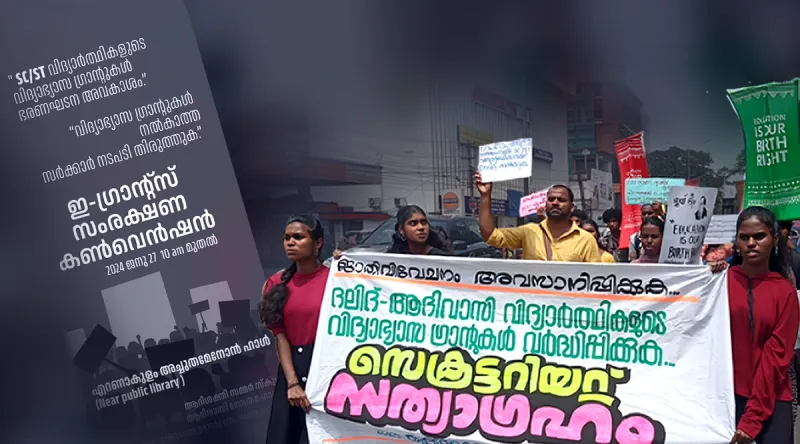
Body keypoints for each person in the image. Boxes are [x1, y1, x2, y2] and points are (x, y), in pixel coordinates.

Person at [712, 206, 798, 444]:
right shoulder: (718, 284)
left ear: (774, 240)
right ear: (737, 242)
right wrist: (707, 277)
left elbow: (777, 357)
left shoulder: (785, 292)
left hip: (773, 400)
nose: (751, 243)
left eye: (759, 236)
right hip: (724, 399)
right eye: (744, 237)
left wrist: (753, 418)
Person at [259, 215, 329, 444]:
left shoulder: (336, 279)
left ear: (317, 243)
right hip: (293, 370)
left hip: (328, 369)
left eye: (298, 237)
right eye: (287, 238)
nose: (290, 242)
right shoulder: (276, 283)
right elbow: (280, 335)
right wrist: (292, 383)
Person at [474, 171, 600, 262]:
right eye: (551, 199)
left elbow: (595, 279)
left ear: (571, 207)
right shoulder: (529, 232)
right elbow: (490, 235)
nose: (555, 203)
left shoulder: (586, 240)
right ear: (545, 204)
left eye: (561, 200)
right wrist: (485, 196)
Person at [333, 205, 451, 258]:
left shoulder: (442, 258)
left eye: (424, 222)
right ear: (401, 230)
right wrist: (342, 258)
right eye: (413, 223)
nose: (421, 227)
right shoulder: (392, 257)